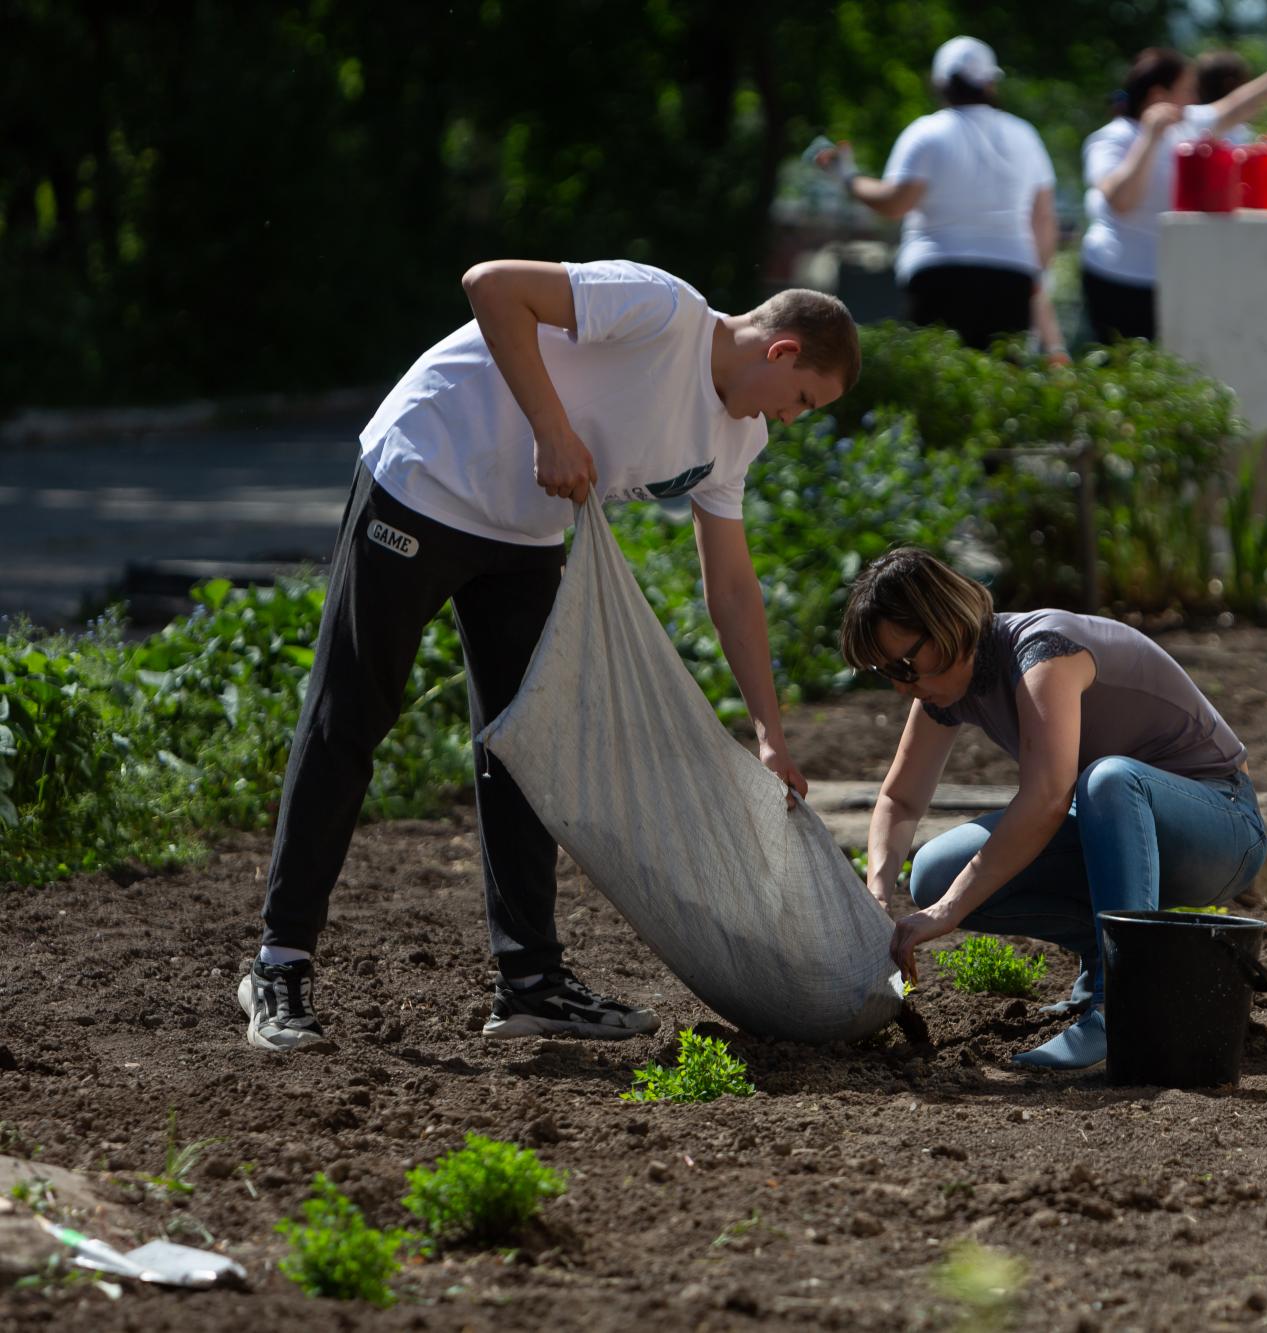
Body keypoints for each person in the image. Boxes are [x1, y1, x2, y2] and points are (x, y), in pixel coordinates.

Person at [239, 260, 860, 1053]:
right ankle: (278, 964)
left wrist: (770, 731)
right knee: (351, 714)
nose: (796, 419)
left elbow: (732, 586)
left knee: (528, 742)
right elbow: (491, 285)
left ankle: (529, 981)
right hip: (427, 477)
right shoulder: (661, 308)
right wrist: (552, 429)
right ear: (779, 352)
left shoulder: (738, 436)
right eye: (805, 399)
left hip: (524, 533)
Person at [841, 548, 1267, 1071]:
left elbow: (1046, 799)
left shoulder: (1043, 651)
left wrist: (950, 912)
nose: (900, 684)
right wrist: (877, 894)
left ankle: (1123, 1010)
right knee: (934, 873)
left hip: (1222, 824)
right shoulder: (940, 690)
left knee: (1107, 779)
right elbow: (900, 799)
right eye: (885, 672)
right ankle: (1115, 960)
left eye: (904, 665)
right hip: (1126, 822)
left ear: (945, 624)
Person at [1079, 47, 1267, 345]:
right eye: (1186, 90)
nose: (1193, 98)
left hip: (1168, 278)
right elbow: (1121, 202)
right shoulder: (1112, 139)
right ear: (1159, 94)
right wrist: (1150, 137)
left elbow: (1237, 107)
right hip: (1116, 279)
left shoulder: (1186, 125)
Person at [819, 37, 1056, 350]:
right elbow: (1043, 220)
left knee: (940, 375)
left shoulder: (927, 133)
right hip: (1012, 274)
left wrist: (848, 178)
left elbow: (895, 203)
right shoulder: (1025, 135)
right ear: (990, 83)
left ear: (940, 82)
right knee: (1001, 378)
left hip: (939, 271)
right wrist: (1036, 278)